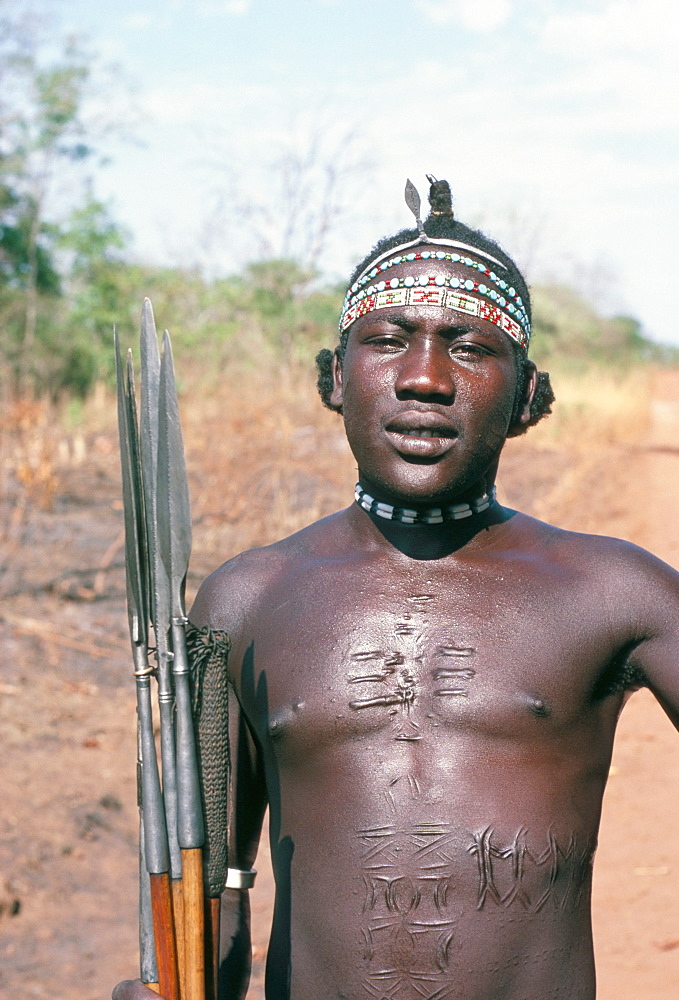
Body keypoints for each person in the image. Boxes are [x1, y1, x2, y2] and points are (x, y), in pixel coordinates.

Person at [114, 177, 679, 1000]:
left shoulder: (612, 592)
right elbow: (216, 884)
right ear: (335, 377)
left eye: (468, 346)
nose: (423, 377)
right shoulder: (243, 602)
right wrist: (171, 988)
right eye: (387, 339)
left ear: (525, 395)